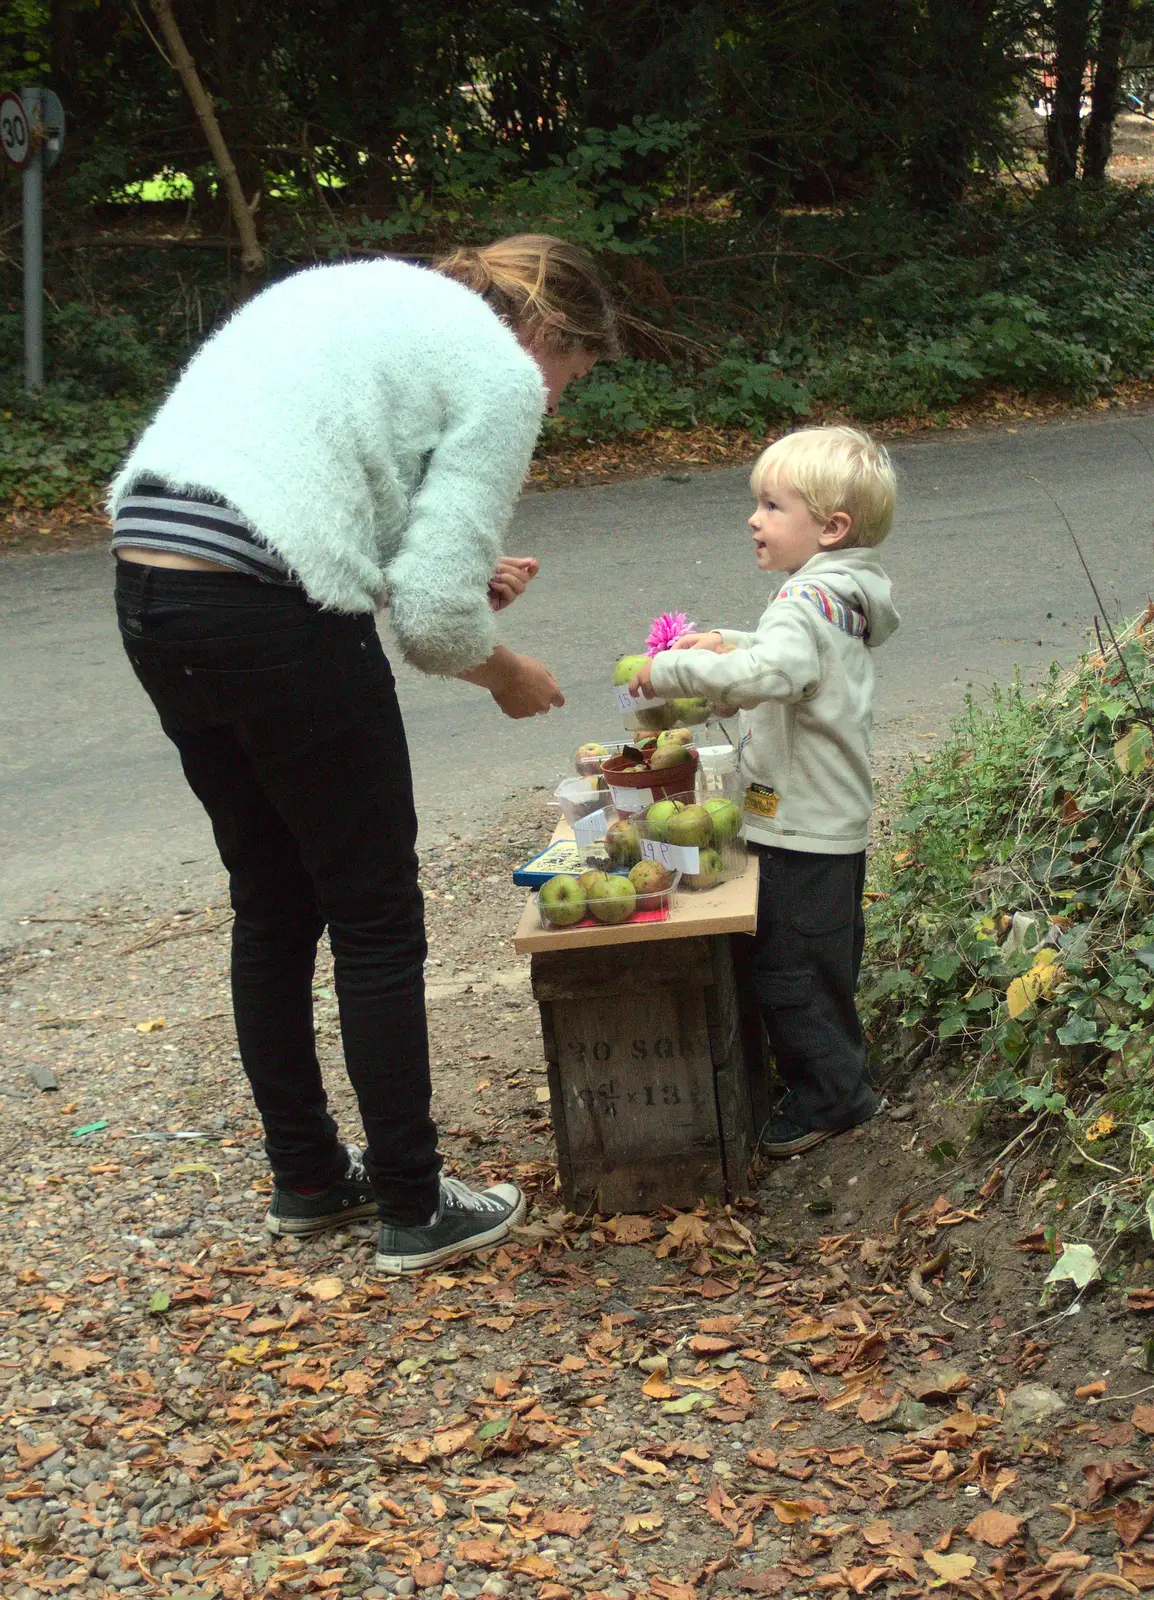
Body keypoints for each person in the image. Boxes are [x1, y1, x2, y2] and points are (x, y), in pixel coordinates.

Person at [108, 234, 619, 1272]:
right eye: (572, 377)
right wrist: (506, 668)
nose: (555, 403)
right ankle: (413, 1202)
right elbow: (432, 625)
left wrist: (452, 588)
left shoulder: (367, 295)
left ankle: (306, 1178)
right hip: (263, 605)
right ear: (550, 334)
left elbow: (313, 489)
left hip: (152, 582)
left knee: (273, 893)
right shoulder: (499, 369)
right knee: (375, 910)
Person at [629, 426, 899, 1157]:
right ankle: (830, 1073)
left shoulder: (805, 600)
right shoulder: (835, 593)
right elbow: (787, 658)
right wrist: (728, 641)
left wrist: (672, 674)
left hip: (802, 825)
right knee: (819, 962)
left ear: (831, 527)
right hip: (825, 819)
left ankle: (835, 1099)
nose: (754, 518)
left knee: (793, 971)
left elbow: (770, 674)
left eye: (773, 506)